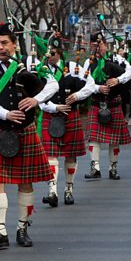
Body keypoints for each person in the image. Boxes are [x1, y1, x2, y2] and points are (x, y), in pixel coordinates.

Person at [0, 23, 58, 249]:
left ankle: (22, 228)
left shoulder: (31, 64)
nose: (1, 47)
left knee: (25, 182)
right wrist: (5, 113)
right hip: (0, 130)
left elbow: (52, 85)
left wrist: (36, 100)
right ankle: (0, 231)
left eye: (5, 43)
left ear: (14, 44)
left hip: (25, 129)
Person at [39, 46, 96, 207]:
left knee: (71, 155)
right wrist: (54, 107)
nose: (50, 57)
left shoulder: (73, 67)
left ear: (60, 53)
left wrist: (78, 95)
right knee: (51, 155)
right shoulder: (41, 70)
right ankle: (52, 191)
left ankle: (69, 189)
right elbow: (37, 95)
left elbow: (90, 85)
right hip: (51, 115)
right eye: (48, 54)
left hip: (70, 115)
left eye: (53, 54)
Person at [83, 33, 131, 180]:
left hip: (113, 102)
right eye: (94, 45)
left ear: (106, 45)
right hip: (96, 102)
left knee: (114, 139)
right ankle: (95, 167)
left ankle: (113, 168)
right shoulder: (89, 62)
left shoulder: (117, 59)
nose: (97, 48)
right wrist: (97, 88)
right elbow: (84, 80)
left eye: (100, 45)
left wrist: (118, 80)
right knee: (93, 137)